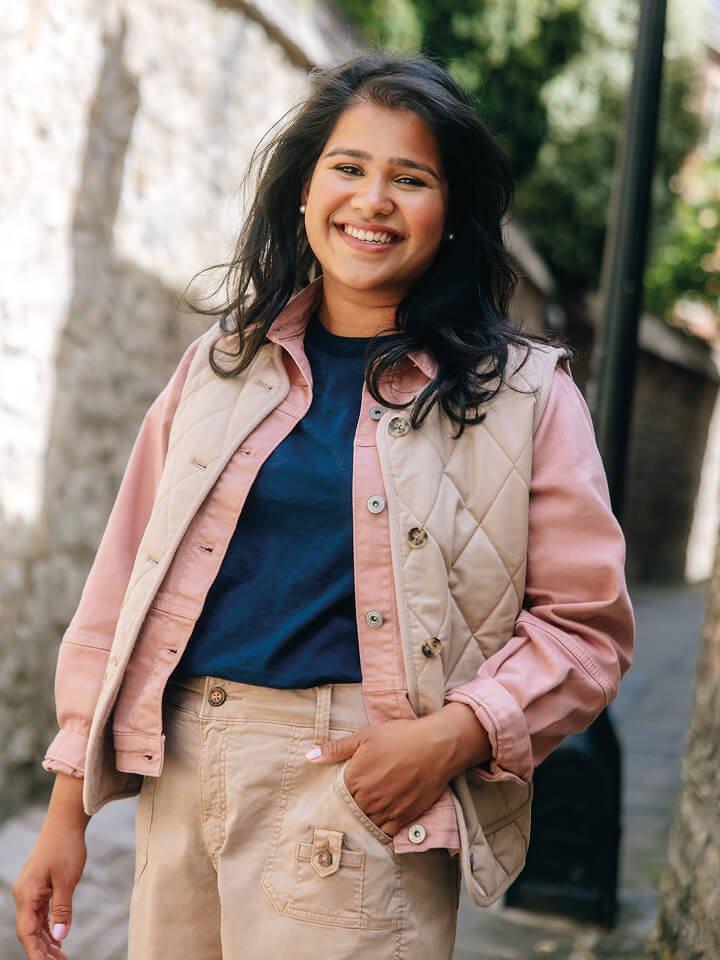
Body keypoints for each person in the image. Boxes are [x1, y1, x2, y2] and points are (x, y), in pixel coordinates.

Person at [13, 50, 635, 960]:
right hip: (182, 782)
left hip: (354, 793)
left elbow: (587, 631)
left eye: (409, 178)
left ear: (453, 215)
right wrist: (65, 811)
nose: (372, 200)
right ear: (305, 193)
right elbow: (121, 591)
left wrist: (454, 736)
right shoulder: (220, 368)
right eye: (348, 168)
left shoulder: (525, 397)